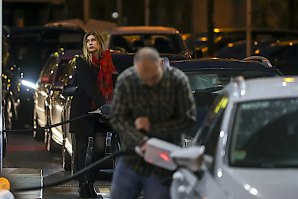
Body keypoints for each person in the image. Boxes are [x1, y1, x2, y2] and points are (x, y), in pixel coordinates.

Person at [110, 47, 196, 199]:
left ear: (161, 64)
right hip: (131, 157)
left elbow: (188, 118)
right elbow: (117, 118)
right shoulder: (127, 81)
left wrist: (153, 127)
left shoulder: (177, 82)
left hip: (162, 162)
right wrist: (140, 140)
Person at [70, 31, 117, 198]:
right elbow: (87, 84)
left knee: (100, 148)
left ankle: (90, 181)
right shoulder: (81, 61)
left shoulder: (107, 61)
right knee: (81, 149)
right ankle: (82, 184)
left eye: (93, 40)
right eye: (87, 40)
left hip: (102, 113)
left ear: (99, 42)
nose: (90, 43)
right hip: (84, 109)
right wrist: (103, 103)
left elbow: (114, 80)